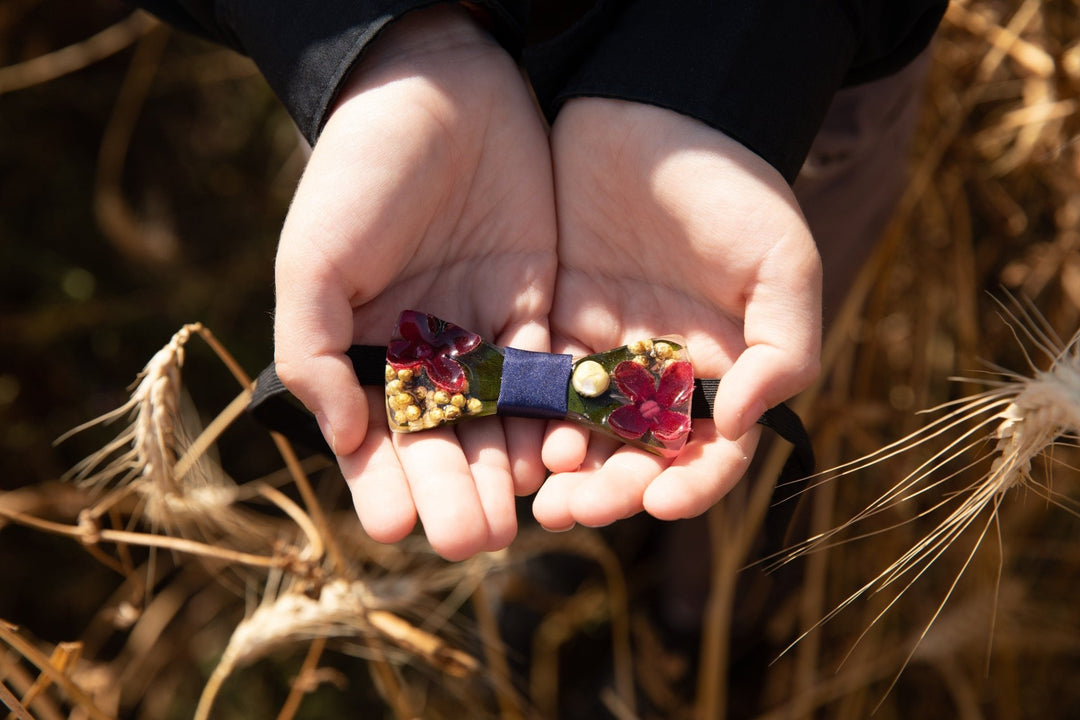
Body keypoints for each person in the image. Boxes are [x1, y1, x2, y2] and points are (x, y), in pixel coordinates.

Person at [136, 0, 948, 560]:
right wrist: (378, 48)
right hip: (430, 132)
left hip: (795, 97)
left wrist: (739, 74)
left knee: (741, 408)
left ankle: (712, 613)